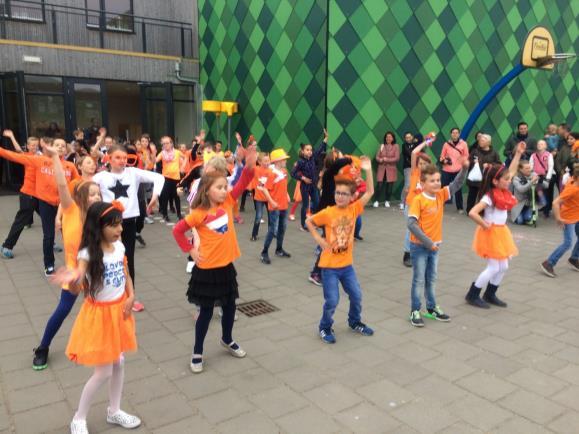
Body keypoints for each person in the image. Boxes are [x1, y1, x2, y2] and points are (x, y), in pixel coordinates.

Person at [51, 201, 140, 434]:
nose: (119, 229)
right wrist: (72, 279)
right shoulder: (88, 253)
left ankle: (114, 410)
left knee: (119, 362)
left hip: (119, 312)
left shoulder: (119, 246)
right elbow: (77, 284)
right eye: (113, 225)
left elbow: (126, 273)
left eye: (120, 224)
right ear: (98, 227)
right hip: (99, 317)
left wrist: (131, 296)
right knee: (104, 371)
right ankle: (79, 418)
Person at [171, 145, 256, 373]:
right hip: (206, 269)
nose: (225, 190)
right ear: (207, 190)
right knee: (206, 313)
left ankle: (227, 339)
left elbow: (244, 180)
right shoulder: (198, 214)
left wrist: (249, 164)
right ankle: (197, 350)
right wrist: (190, 250)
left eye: (225, 186)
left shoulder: (228, 201)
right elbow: (177, 231)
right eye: (220, 187)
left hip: (226, 267)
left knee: (230, 307)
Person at [32, 145, 102, 370]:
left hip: (95, 269)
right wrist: (54, 158)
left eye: (98, 194)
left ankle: (100, 344)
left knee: (99, 309)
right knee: (63, 310)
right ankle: (43, 347)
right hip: (74, 270)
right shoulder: (71, 208)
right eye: (92, 194)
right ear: (80, 196)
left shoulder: (99, 216)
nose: (97, 197)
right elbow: (62, 184)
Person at [305, 156, 375, 344]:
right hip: (329, 268)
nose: (340, 196)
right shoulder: (329, 212)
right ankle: (325, 327)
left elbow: (370, 191)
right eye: (338, 193)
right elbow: (309, 221)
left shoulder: (354, 209)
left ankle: (354, 321)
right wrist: (319, 239)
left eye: (344, 194)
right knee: (332, 301)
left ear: (352, 197)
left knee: (357, 296)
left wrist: (368, 170)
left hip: (347, 266)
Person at [92, 144, 164, 312]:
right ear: (109, 158)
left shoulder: (133, 173)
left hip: (129, 222)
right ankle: (104, 294)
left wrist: (155, 196)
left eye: (125, 158)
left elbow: (159, 178)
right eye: (118, 157)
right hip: (108, 223)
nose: (122, 161)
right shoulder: (101, 177)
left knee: (127, 259)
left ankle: (130, 296)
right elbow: (82, 189)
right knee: (105, 258)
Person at [0, 137, 79, 274]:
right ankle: (49, 265)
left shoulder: (69, 166)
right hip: (46, 203)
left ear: (66, 150)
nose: (60, 147)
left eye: (62, 146)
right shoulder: (40, 161)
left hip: (64, 206)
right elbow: (14, 156)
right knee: (48, 236)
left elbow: (79, 184)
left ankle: (74, 263)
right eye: (57, 145)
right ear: (50, 147)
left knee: (70, 234)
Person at [407, 159, 469, 327]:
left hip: (435, 246)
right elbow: (411, 224)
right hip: (420, 247)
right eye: (432, 180)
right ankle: (415, 310)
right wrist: (428, 242)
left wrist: (464, 168)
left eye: (438, 180)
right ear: (423, 182)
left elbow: (457, 184)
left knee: (432, 278)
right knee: (419, 279)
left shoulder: (441, 195)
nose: (436, 183)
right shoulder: (418, 200)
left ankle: (432, 308)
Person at [465, 142, 525, 309]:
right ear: (495, 181)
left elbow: (511, 170)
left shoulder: (503, 190)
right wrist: (485, 225)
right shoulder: (489, 196)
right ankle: (473, 294)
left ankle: (490, 294)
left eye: (508, 179)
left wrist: (518, 153)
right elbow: (472, 212)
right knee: (493, 268)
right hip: (491, 233)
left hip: (501, 233)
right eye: (505, 179)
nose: (509, 180)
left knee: (504, 266)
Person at [308, 150, 354, 286]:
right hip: (326, 213)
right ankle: (316, 273)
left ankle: (320, 267)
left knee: (329, 242)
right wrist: (347, 158)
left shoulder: (334, 176)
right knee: (328, 245)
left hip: (332, 214)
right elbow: (338, 165)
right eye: (337, 159)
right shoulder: (329, 173)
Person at [0, 131, 40, 259]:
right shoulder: (27, 157)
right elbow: (14, 151)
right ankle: (7, 246)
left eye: (36, 145)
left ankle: (51, 243)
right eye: (32, 145)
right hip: (28, 194)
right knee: (20, 222)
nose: (34, 147)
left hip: (40, 195)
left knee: (50, 219)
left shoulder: (42, 157)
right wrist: (12, 136)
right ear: (27, 146)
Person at [540, 165, 579, 277]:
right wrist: (558, 218)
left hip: (577, 216)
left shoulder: (574, 180)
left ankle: (574, 258)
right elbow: (555, 203)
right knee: (568, 243)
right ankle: (549, 263)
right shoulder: (572, 189)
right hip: (568, 218)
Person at [401, 135, 434, 268]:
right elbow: (414, 152)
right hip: (410, 206)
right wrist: (425, 143)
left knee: (421, 230)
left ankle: (418, 252)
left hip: (423, 208)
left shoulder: (429, 178)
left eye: (425, 164)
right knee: (411, 229)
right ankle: (407, 253)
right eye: (420, 163)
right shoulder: (415, 173)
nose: (422, 166)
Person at [291, 129, 328, 230]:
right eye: (307, 150)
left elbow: (320, 149)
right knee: (305, 205)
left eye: (311, 150)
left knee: (316, 203)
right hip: (305, 186)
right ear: (303, 151)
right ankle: (303, 225)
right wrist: (303, 178)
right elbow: (293, 173)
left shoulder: (312, 158)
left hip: (313, 185)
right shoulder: (300, 162)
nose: (310, 152)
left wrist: (326, 139)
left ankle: (315, 221)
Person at [259, 149, 291, 264]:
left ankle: (279, 249)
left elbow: (283, 186)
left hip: (283, 205)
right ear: (277, 161)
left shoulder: (283, 172)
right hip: (275, 207)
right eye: (284, 159)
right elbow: (265, 189)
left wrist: (287, 195)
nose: (286, 161)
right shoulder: (271, 173)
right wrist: (271, 202)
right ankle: (264, 252)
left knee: (282, 228)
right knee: (272, 230)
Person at [466, 134, 501, 213]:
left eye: (483, 140)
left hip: (487, 178)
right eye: (480, 140)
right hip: (475, 177)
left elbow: (499, 164)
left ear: (488, 142)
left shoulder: (494, 153)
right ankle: (470, 210)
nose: (480, 142)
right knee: (472, 194)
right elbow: (469, 160)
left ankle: (481, 211)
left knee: (484, 195)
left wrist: (489, 165)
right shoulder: (475, 151)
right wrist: (473, 162)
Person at [155, 136, 186, 222]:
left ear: (171, 143)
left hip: (176, 178)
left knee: (177, 197)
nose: (165, 145)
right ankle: (165, 214)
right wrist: (153, 154)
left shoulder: (177, 152)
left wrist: (183, 166)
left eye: (167, 143)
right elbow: (155, 160)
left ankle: (179, 214)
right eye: (164, 144)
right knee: (165, 197)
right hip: (166, 178)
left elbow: (186, 157)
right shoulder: (162, 153)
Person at [439, 127, 469, 213]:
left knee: (458, 188)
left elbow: (466, 156)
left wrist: (462, 162)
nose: (455, 134)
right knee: (444, 188)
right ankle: (441, 205)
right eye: (453, 133)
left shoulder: (463, 144)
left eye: (456, 133)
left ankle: (459, 207)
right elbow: (442, 156)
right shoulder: (446, 144)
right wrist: (443, 160)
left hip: (458, 169)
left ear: (459, 134)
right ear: (451, 134)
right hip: (446, 169)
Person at [544, 124, 571, 217]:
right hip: (554, 169)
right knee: (549, 189)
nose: (557, 131)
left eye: (559, 129)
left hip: (563, 171)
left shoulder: (569, 141)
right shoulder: (558, 139)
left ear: (564, 130)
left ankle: (564, 210)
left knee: (563, 191)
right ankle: (547, 208)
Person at [372, 131, 400, 208]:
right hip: (381, 168)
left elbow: (397, 158)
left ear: (393, 138)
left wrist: (386, 159)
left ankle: (387, 201)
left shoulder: (396, 146)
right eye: (387, 137)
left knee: (389, 187)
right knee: (379, 185)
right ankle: (376, 201)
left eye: (390, 137)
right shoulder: (382, 146)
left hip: (391, 169)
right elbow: (377, 156)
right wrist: (380, 160)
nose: (388, 138)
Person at [250, 152, 271, 241]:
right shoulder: (256, 169)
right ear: (259, 162)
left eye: (268, 160)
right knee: (258, 216)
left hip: (268, 198)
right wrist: (254, 157)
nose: (267, 163)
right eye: (265, 161)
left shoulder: (271, 171)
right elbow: (249, 165)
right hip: (259, 198)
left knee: (271, 216)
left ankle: (271, 233)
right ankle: (254, 235)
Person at [511, 160, 538, 225]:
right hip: (519, 204)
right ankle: (519, 214)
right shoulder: (516, 178)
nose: (529, 170)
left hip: (529, 204)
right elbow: (521, 189)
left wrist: (540, 181)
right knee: (520, 221)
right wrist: (531, 182)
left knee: (528, 218)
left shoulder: (533, 174)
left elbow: (545, 186)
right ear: (520, 169)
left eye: (529, 167)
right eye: (526, 168)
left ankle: (527, 215)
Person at [529, 139, 554, 209]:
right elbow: (530, 166)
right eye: (538, 144)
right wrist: (532, 174)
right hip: (536, 176)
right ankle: (542, 203)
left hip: (545, 176)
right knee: (538, 189)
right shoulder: (533, 155)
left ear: (545, 146)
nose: (539, 145)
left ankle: (546, 208)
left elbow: (551, 166)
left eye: (542, 144)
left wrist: (548, 177)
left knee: (547, 191)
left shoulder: (549, 155)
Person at [400, 132, 417, 209]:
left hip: (416, 167)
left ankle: (411, 201)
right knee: (407, 184)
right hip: (408, 167)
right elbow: (410, 153)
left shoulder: (415, 144)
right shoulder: (404, 145)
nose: (408, 139)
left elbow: (418, 153)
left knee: (416, 184)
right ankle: (402, 202)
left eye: (409, 137)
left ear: (412, 137)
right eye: (406, 137)